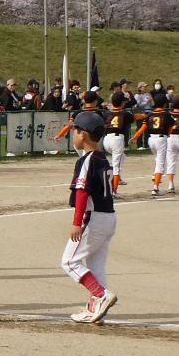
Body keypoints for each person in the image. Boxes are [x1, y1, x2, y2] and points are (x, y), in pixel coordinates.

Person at [60, 111, 117, 323]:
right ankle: (95, 309)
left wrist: (77, 223)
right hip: (108, 217)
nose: (73, 134)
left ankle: (101, 295)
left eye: (75, 130)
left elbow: (82, 192)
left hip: (92, 218)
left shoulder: (87, 160)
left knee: (69, 262)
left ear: (83, 134)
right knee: (96, 266)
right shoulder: (103, 159)